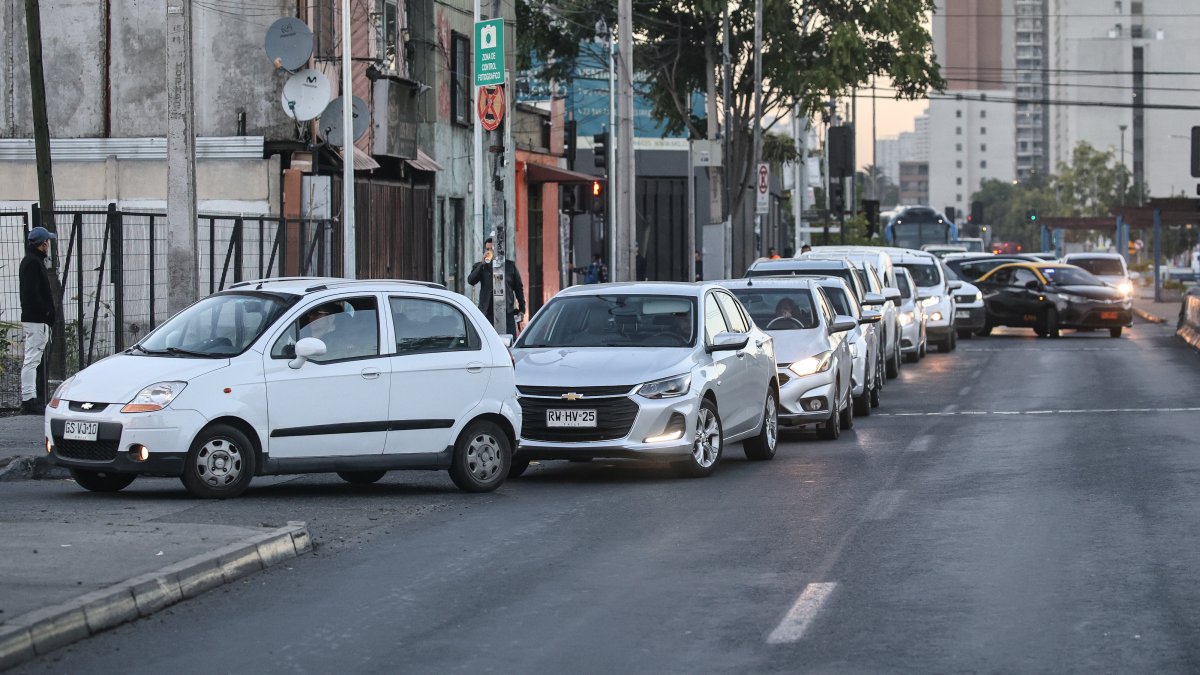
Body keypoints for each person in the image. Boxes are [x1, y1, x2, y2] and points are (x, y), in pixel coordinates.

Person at [20, 226, 57, 415]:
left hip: (36, 319)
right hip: (37, 320)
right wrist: (46, 313)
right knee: (32, 359)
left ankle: (33, 398)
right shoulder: (33, 263)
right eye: (47, 241)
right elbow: (33, 294)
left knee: (34, 359)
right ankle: (29, 399)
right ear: (43, 244)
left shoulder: (31, 261)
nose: (49, 244)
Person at [468, 237, 526, 335]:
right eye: (487, 249)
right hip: (487, 312)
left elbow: (518, 289)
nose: (489, 252)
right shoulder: (481, 266)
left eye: (492, 249)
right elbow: (471, 280)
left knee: (508, 341)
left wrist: (522, 309)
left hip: (506, 312)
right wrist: (481, 266)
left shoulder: (510, 266)